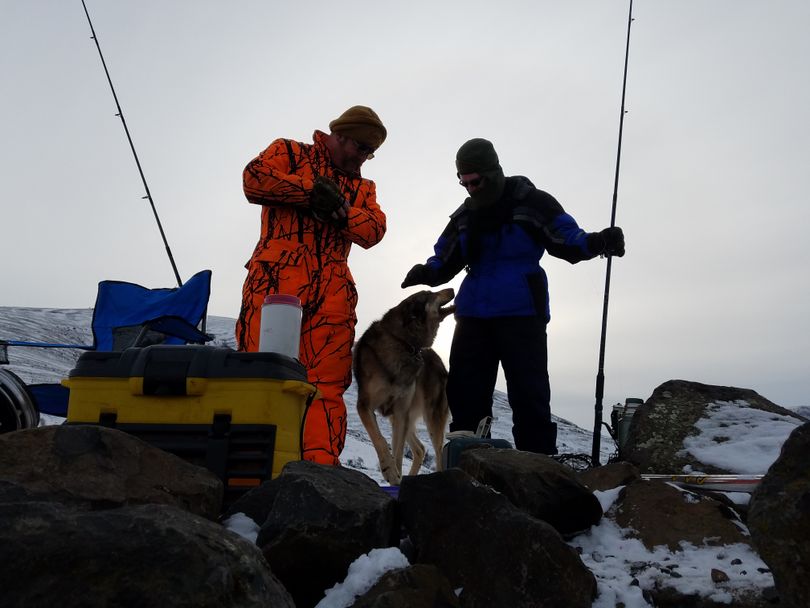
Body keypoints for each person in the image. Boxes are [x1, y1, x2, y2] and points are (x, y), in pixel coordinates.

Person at [401, 138, 624, 455]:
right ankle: (468, 465)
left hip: (522, 313)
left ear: (491, 172)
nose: (469, 189)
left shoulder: (533, 203)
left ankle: (538, 466)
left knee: (528, 393)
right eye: (462, 182)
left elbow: (566, 239)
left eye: (474, 181)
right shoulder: (464, 216)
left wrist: (598, 242)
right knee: (464, 392)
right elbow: (446, 258)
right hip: (474, 314)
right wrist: (427, 271)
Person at [236, 105, 387, 465]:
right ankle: (254, 466)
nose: (363, 158)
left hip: (333, 295)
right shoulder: (288, 152)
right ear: (340, 136)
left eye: (370, 152)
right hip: (275, 288)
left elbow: (374, 230)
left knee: (326, 388)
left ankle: (318, 469)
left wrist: (341, 211)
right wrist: (310, 193)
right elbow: (253, 179)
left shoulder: (364, 188)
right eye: (360, 148)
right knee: (264, 375)